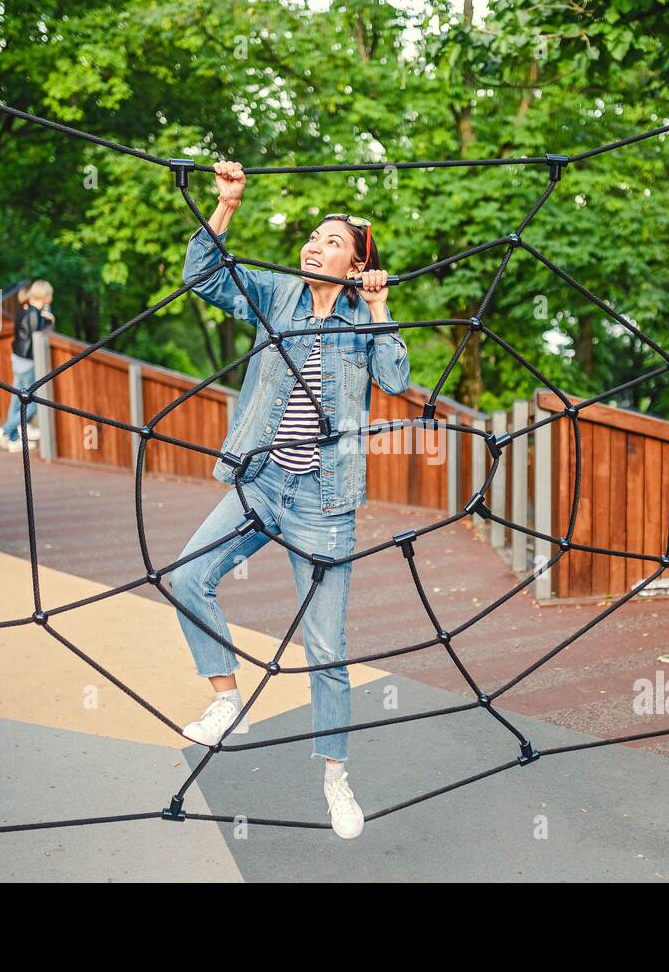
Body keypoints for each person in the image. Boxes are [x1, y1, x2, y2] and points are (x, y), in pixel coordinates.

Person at [169, 160, 410, 839]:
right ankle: (225, 697)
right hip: (262, 481)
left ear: (359, 261)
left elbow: (394, 380)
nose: (315, 244)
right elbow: (202, 276)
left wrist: (380, 306)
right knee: (187, 576)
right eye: (312, 235)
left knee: (325, 650)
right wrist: (227, 205)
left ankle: (335, 776)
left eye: (333, 241)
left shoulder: (364, 320)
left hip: (323, 504)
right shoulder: (277, 296)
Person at [0, 279, 54, 452]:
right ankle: (6, 430)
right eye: (50, 295)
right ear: (45, 296)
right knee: (32, 403)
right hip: (28, 363)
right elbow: (40, 335)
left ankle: (13, 439)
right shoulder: (35, 314)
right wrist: (48, 320)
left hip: (17, 359)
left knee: (16, 400)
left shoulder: (24, 309)